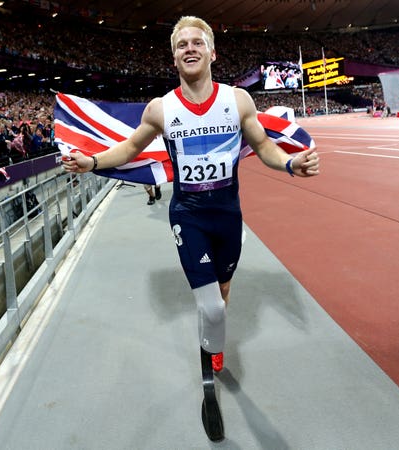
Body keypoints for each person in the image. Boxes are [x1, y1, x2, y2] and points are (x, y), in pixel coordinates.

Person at [63, 15, 319, 438]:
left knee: (223, 292)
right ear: (174, 56)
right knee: (213, 308)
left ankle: (212, 334)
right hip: (189, 215)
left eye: (197, 42)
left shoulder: (238, 101)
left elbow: (265, 148)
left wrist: (291, 164)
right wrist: (91, 162)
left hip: (228, 214)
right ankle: (211, 353)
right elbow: (129, 147)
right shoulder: (161, 109)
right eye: (181, 44)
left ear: (212, 52)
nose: (189, 48)